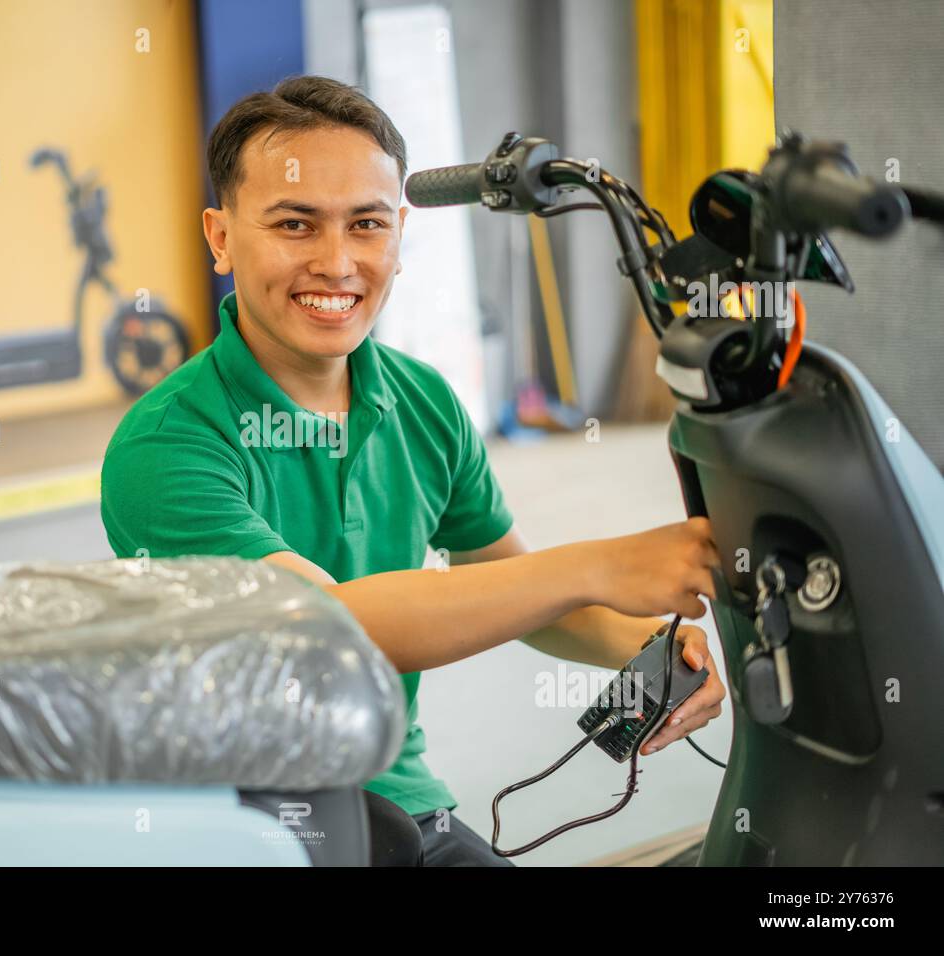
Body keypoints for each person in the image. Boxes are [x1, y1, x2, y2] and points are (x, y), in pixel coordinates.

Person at [100, 75, 725, 866]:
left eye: (366, 225)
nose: (336, 263)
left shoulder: (423, 401)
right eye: (295, 224)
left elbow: (522, 594)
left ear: (399, 232)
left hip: (399, 806)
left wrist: (646, 647)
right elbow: (333, 631)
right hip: (242, 824)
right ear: (221, 238)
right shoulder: (165, 444)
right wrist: (600, 564)